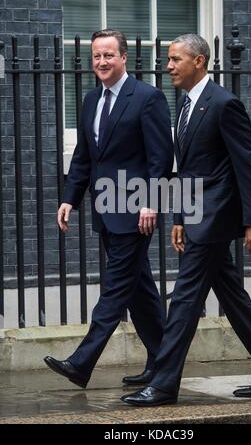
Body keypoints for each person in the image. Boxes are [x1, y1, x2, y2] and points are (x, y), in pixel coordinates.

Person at [121, 34, 251, 407]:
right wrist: (180, 216)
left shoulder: (224, 104)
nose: (168, 66)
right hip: (197, 215)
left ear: (199, 62)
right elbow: (188, 170)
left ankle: (164, 384)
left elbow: (248, 165)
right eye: (168, 59)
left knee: (183, 300)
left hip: (216, 217)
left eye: (175, 59)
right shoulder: (184, 105)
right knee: (233, 297)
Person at [44, 29, 173, 388]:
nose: (101, 62)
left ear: (124, 58)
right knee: (139, 290)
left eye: (108, 55)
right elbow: (84, 157)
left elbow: (160, 158)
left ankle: (81, 363)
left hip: (136, 211)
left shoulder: (147, 97)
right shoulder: (90, 100)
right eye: (97, 56)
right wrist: (71, 197)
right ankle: (164, 363)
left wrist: (151, 201)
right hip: (106, 210)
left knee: (116, 287)